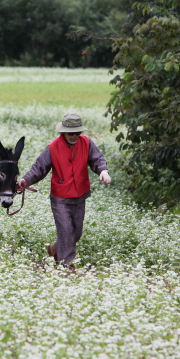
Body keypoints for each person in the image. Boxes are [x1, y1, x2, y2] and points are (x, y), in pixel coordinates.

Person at [18, 113, 111, 268]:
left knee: (77, 232)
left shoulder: (87, 143)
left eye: (77, 133)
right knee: (66, 231)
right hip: (60, 198)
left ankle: (55, 248)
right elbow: (39, 168)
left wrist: (103, 171)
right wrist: (25, 180)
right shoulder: (52, 147)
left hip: (80, 195)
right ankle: (68, 266)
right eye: (71, 133)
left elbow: (97, 159)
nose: (75, 136)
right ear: (63, 132)